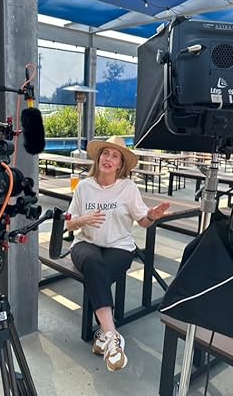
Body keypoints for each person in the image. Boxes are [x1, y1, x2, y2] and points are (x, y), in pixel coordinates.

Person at [65, 136, 170, 372]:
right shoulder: (84, 186)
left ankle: (105, 334)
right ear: (98, 157)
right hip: (86, 243)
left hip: (119, 247)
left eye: (115, 156)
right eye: (105, 153)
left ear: (120, 165)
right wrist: (84, 219)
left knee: (96, 273)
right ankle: (112, 335)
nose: (109, 159)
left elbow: (143, 221)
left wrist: (151, 215)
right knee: (92, 263)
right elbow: (69, 223)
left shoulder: (128, 188)